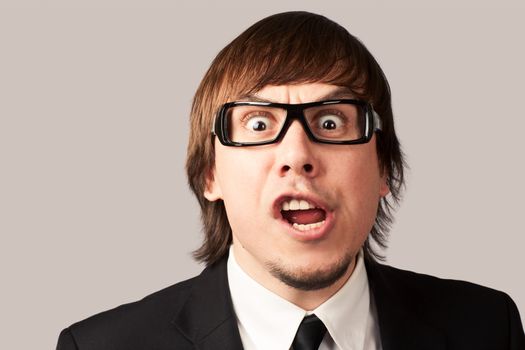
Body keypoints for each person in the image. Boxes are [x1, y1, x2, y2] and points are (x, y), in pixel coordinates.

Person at [56, 11, 524, 350]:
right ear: (209, 173)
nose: (298, 156)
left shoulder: (487, 328)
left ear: (384, 168)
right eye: (258, 125)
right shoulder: (101, 347)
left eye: (332, 123)